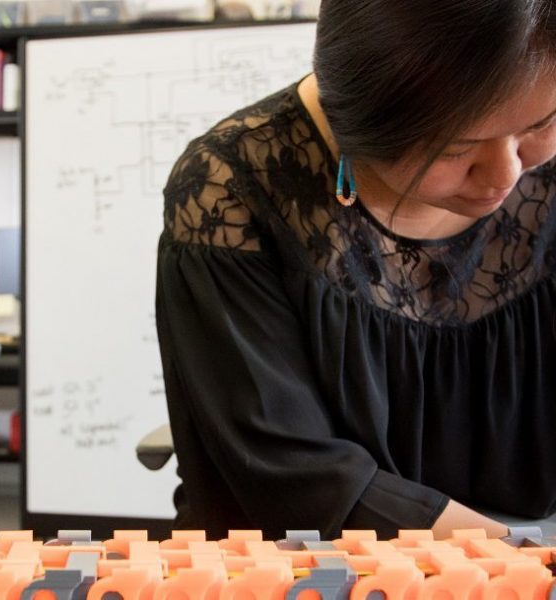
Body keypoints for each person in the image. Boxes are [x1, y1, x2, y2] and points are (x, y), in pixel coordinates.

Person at [156, 0, 556, 541]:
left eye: (540, 124)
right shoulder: (231, 189)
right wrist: (515, 559)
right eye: (459, 148)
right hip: (304, 564)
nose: (507, 173)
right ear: (358, 122)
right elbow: (292, 471)